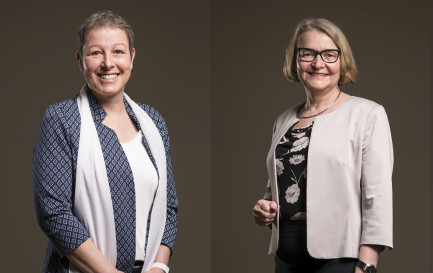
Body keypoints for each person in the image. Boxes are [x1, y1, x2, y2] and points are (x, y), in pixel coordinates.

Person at [32, 10, 178, 273]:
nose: (108, 63)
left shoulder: (153, 122)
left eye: (118, 52)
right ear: (80, 60)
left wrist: (159, 266)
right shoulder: (62, 119)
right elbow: (53, 212)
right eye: (96, 52)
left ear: (132, 58)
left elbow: (168, 207)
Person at [253, 18, 393, 273]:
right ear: (295, 61)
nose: (318, 63)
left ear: (343, 61)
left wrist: (367, 264)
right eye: (308, 54)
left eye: (329, 54)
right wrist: (265, 207)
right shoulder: (284, 120)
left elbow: (378, 195)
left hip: (341, 257)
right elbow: (279, 186)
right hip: (286, 256)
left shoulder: (367, 114)